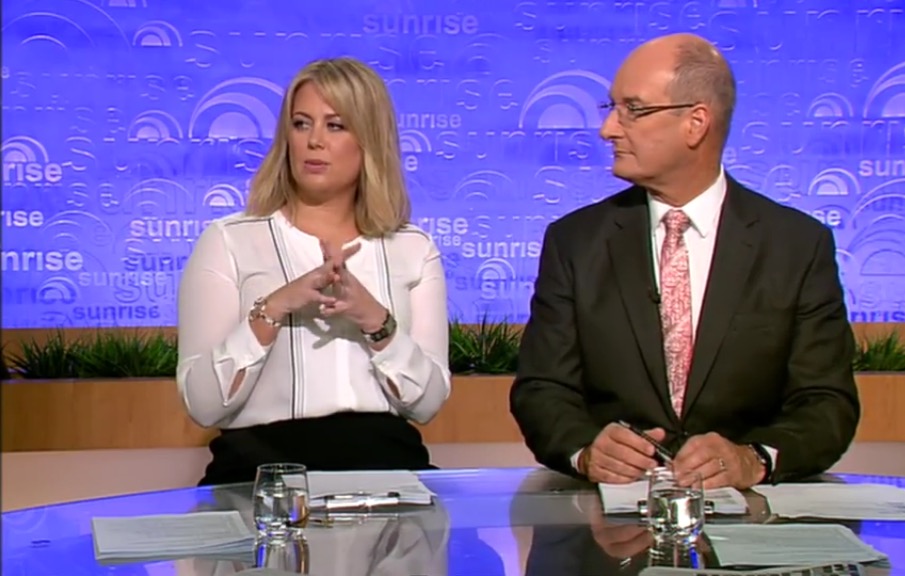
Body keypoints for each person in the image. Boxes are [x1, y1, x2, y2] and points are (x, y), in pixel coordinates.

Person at [509, 33, 860, 490]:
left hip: (750, 514)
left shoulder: (796, 245)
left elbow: (827, 403)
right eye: (612, 108)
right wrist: (586, 450)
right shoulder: (576, 242)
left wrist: (755, 459)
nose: (608, 129)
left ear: (696, 123)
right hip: (612, 513)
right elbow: (542, 390)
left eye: (633, 109)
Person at [176, 57, 451, 486]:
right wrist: (273, 308)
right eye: (301, 124)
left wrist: (375, 320)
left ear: (370, 139)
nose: (314, 141)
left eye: (335, 125)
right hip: (258, 474)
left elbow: (428, 404)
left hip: (386, 471)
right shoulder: (228, 241)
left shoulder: (412, 248)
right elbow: (202, 404)